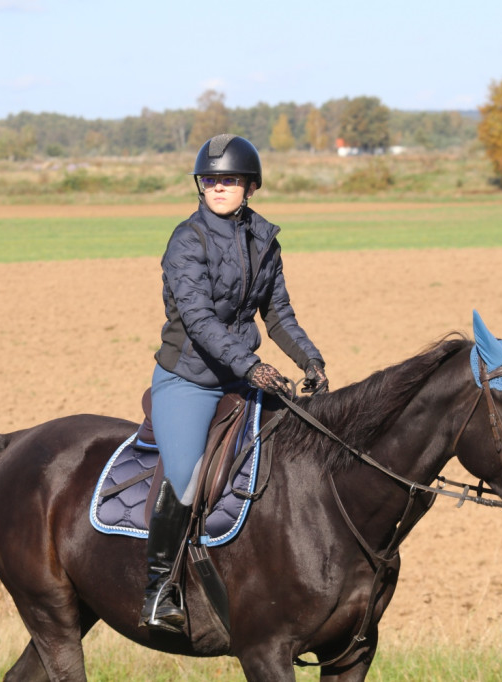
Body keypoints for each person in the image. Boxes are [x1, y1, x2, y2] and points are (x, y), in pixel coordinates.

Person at [139, 134, 329, 633]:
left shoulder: (264, 238)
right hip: (191, 379)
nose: (218, 187)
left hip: (246, 374)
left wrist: (309, 359)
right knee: (188, 478)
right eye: (211, 180)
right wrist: (250, 366)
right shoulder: (187, 239)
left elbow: (279, 313)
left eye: (229, 180)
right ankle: (160, 588)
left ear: (249, 186)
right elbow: (199, 321)